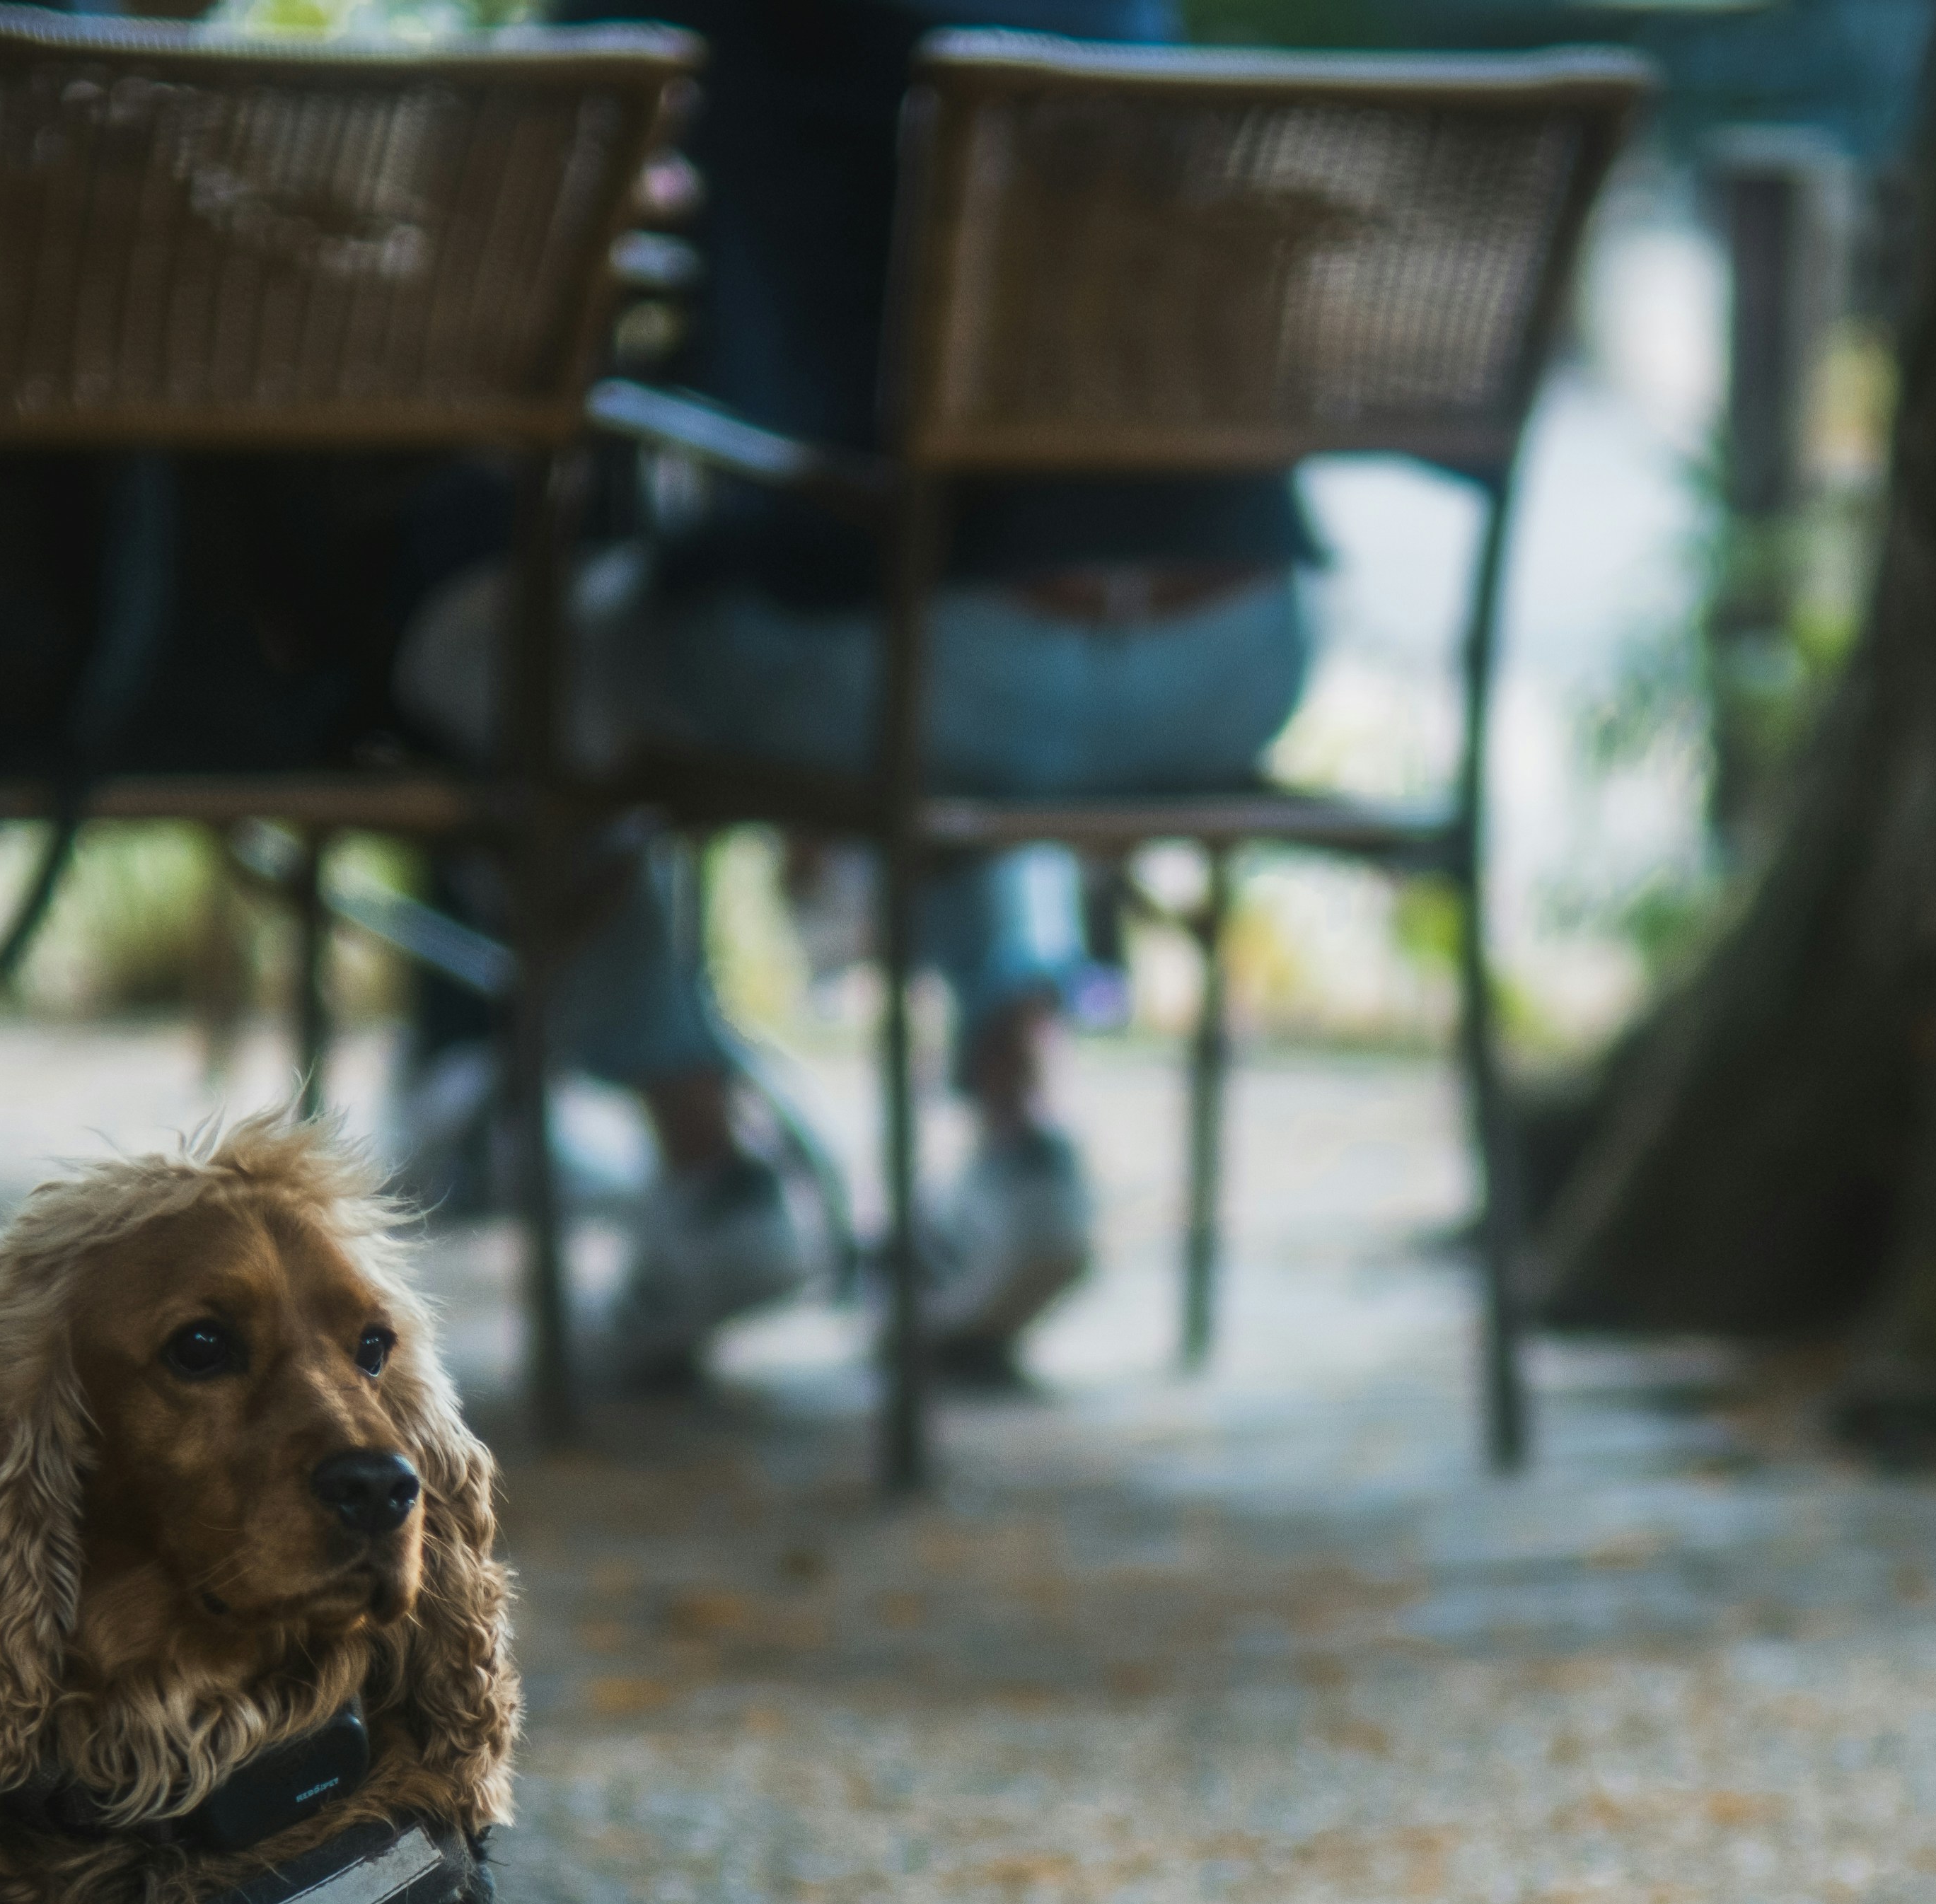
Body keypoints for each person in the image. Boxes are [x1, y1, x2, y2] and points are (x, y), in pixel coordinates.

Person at [396, 0, 1319, 1384]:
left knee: (490, 653)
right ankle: (1024, 1149)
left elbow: (506, 154)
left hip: (953, 655)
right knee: (939, 609)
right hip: (1246, 646)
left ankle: (707, 1173)